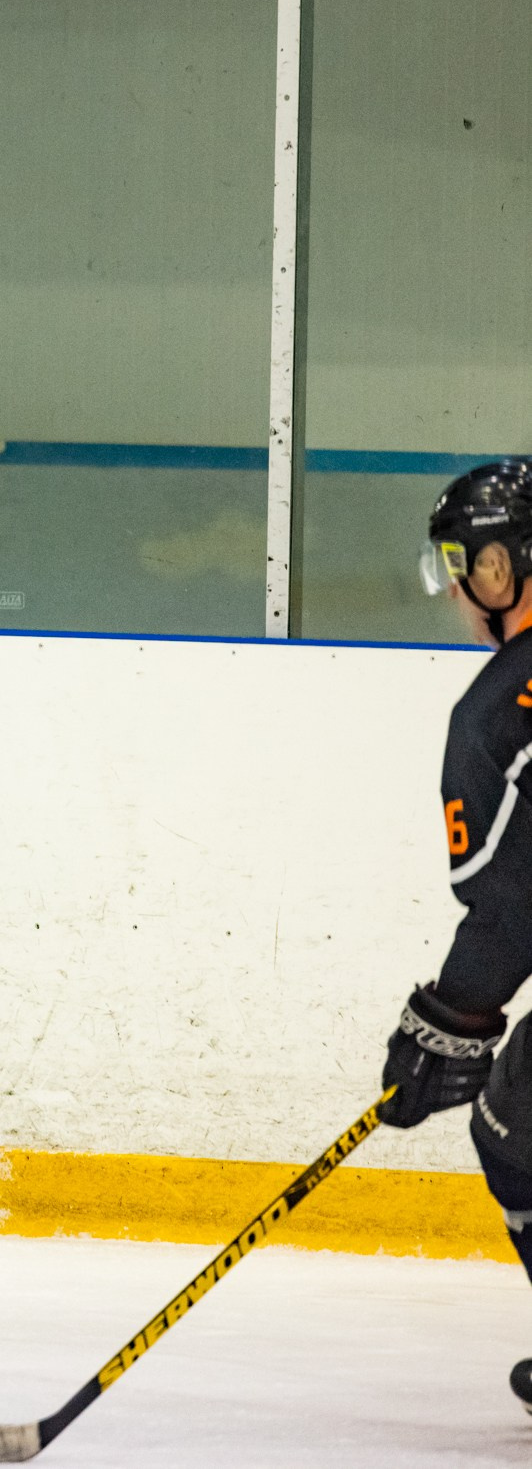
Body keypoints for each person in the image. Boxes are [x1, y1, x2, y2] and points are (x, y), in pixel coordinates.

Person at [381, 459, 532, 1409]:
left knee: (516, 1129)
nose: (460, 594)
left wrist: (448, 1022)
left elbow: (515, 896)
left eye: (463, 566)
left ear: (503, 568)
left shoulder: (492, 712)